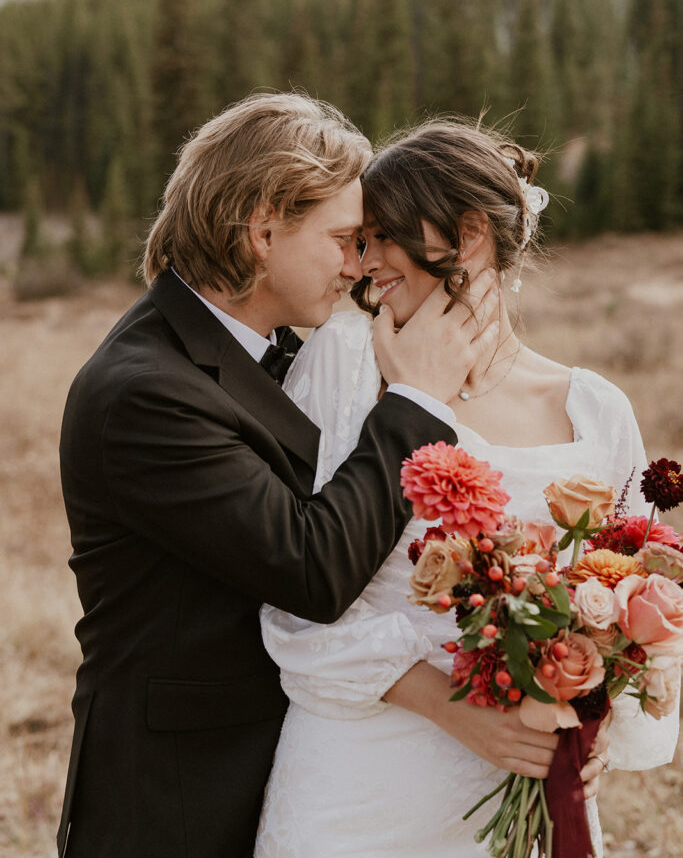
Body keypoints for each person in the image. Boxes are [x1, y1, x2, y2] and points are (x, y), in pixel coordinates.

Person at [56, 94, 503, 858]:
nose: (359, 264)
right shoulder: (145, 391)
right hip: (176, 804)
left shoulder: (269, 351)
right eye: (343, 239)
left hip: (286, 775)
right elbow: (311, 566)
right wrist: (417, 402)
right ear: (263, 231)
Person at [255, 118, 679, 857]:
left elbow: (650, 594)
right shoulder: (343, 370)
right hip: (359, 787)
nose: (366, 263)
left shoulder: (595, 409)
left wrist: (599, 704)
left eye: (385, 235)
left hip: (524, 794)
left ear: (470, 232)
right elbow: (291, 594)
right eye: (359, 240)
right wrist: (457, 709)